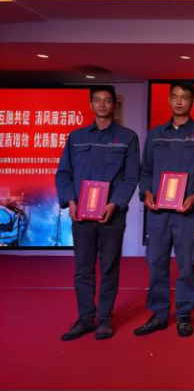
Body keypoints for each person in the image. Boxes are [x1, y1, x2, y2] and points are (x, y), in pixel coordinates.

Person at [55, 85, 140, 340]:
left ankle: (104, 319)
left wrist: (114, 203)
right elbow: (64, 173)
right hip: (81, 215)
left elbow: (131, 176)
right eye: (97, 100)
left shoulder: (127, 137)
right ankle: (84, 318)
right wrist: (70, 201)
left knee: (109, 267)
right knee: (83, 269)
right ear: (91, 105)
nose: (102, 105)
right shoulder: (76, 137)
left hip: (112, 214)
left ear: (115, 105)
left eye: (107, 101)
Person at [134, 82, 194, 338]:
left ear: (193, 102)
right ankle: (159, 314)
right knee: (156, 263)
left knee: (187, 265)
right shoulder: (155, 135)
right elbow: (145, 170)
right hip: (158, 213)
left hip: (187, 212)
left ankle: (183, 314)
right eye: (175, 97)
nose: (179, 101)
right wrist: (146, 192)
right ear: (169, 100)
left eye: (185, 97)